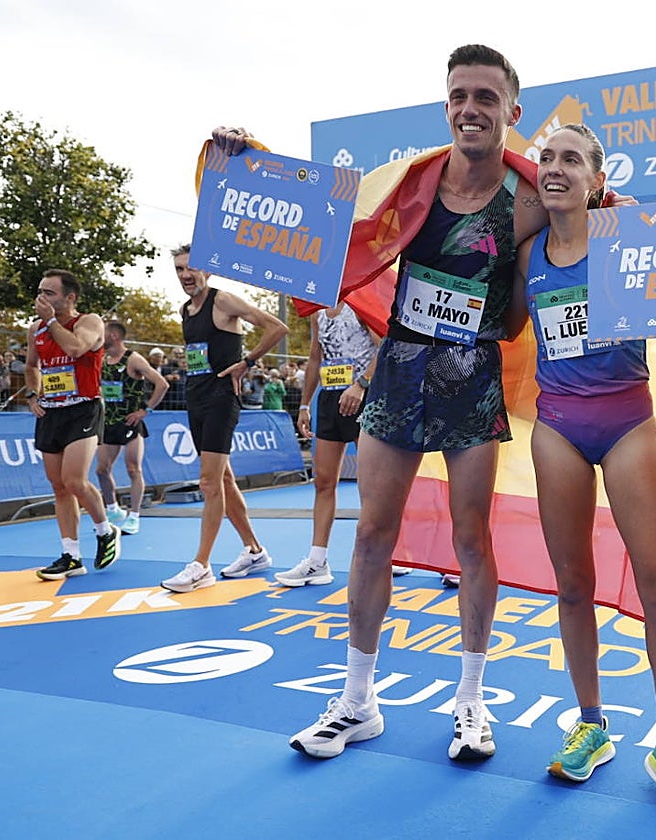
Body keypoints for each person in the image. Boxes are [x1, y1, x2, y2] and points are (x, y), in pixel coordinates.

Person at [213, 44, 556, 763]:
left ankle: (471, 701)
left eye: (486, 97)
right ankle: (357, 701)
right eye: (459, 95)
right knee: (372, 535)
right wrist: (248, 161)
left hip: (472, 376)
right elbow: (317, 218)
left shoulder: (529, 200)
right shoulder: (410, 184)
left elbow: (559, 269)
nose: (470, 108)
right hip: (398, 369)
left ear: (512, 111)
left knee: (472, 541)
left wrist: (609, 213)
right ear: (446, 105)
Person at [507, 123, 656, 819]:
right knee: (573, 586)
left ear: (598, 179)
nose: (555, 167)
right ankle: (591, 724)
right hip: (558, 427)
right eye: (547, 157)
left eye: (571, 159)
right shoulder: (529, 254)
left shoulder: (630, 238)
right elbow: (504, 326)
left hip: (627, 421)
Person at [159, 243, 288, 593]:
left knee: (209, 483)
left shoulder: (223, 301)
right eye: (179, 270)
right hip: (196, 398)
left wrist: (247, 362)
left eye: (191, 267)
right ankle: (255, 551)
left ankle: (201, 566)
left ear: (207, 269)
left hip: (221, 399)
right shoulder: (185, 310)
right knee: (224, 480)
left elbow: (276, 327)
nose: (186, 275)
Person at [24, 269, 122, 579]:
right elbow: (31, 366)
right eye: (40, 291)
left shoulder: (89, 322)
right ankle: (71, 555)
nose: (42, 297)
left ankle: (105, 530)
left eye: (49, 293)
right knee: (59, 486)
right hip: (52, 411)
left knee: (74, 481)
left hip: (83, 408)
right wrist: (32, 394)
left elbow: (76, 348)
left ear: (70, 297)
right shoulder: (35, 329)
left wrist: (52, 321)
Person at [274, 302, 380, 588]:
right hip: (330, 398)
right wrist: (304, 405)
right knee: (323, 481)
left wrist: (361, 385)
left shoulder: (360, 301)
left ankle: (383, 555)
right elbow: (314, 358)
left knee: (373, 486)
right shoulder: (318, 312)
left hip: (363, 397)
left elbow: (383, 346)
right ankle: (317, 561)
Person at [95, 321, 169, 535]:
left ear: (114, 335)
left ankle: (134, 516)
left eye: (103, 332)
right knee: (101, 470)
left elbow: (162, 384)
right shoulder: (103, 360)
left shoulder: (133, 359)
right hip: (109, 422)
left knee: (133, 469)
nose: (99, 336)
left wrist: (145, 410)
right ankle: (113, 510)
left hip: (130, 422)